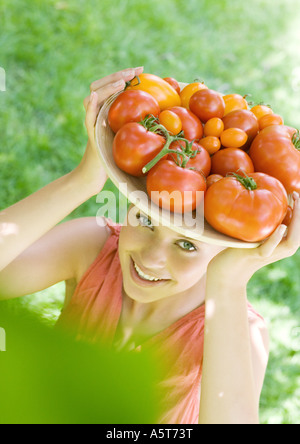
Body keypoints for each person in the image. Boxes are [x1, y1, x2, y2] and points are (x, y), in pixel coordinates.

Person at [0, 67, 299, 424]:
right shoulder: (94, 248)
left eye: (187, 245)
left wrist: (228, 282)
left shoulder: (236, 329)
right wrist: (83, 180)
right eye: (144, 221)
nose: (152, 257)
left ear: (225, 252)